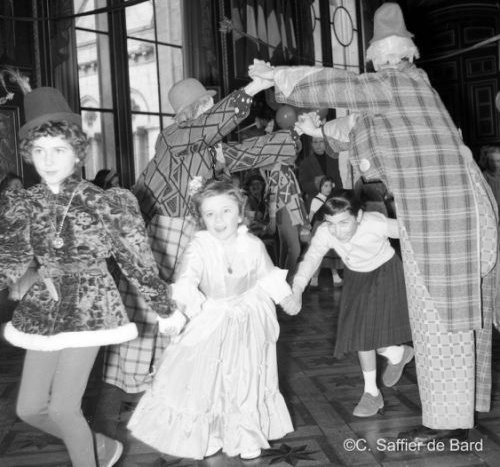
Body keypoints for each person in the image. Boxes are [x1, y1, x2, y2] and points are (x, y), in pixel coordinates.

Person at [249, 2, 498, 443]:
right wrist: (316, 132)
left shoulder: (397, 83)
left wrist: (281, 77)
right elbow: (357, 127)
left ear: (386, 58)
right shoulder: (408, 89)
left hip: (442, 215)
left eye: (379, 60)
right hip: (445, 211)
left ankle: (450, 422)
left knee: (441, 316)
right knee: (455, 311)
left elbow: (344, 87)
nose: (379, 67)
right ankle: (458, 412)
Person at [98, 71, 296, 439]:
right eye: (208, 103)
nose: (213, 108)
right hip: (158, 237)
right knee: (145, 318)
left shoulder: (207, 147)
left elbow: (246, 153)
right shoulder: (173, 137)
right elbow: (209, 128)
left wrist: (296, 137)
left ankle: (175, 400)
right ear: (194, 110)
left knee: (191, 320)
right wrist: (251, 90)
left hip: (192, 238)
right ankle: (112, 415)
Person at [0, 86, 179, 467]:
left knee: (64, 409)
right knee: (29, 408)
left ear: (77, 151)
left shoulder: (104, 202)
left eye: (58, 150)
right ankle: (102, 449)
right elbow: (11, 257)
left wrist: (164, 308)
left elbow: (136, 260)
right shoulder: (25, 203)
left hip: (91, 306)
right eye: (39, 151)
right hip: (45, 305)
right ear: (29, 153)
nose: (48, 160)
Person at [127, 179, 295, 460]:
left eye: (226, 211)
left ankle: (246, 433)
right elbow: (186, 281)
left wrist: (286, 298)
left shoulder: (253, 244)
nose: (219, 220)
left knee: (246, 377)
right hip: (213, 318)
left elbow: (267, 276)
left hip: (249, 318)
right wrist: (175, 311)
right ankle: (212, 432)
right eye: (210, 214)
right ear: (201, 219)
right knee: (210, 378)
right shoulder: (199, 247)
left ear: (240, 214)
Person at [289, 192, 413, 416]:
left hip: (386, 271)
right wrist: (297, 289)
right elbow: (312, 258)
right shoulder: (325, 232)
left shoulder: (375, 222)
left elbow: (413, 230)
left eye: (344, 223)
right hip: (356, 276)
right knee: (360, 334)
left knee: (365, 334)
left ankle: (372, 391)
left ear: (359, 216)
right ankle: (395, 356)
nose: (337, 231)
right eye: (331, 223)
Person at [266, 137, 309, 281]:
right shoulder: (278, 169)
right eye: (291, 151)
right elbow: (272, 196)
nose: (294, 154)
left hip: (289, 211)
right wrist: (272, 219)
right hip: (284, 211)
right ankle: (288, 281)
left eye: (296, 151)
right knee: (295, 249)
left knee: (285, 249)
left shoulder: (286, 169)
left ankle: (281, 281)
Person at [307, 176, 343, 288]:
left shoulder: (331, 199)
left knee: (330, 253)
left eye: (330, 186)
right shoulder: (316, 200)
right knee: (321, 254)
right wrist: (306, 228)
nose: (328, 188)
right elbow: (311, 215)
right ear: (320, 187)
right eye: (325, 186)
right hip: (320, 228)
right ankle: (314, 279)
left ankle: (335, 277)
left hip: (329, 228)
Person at [298, 136, 343, 210]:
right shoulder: (305, 163)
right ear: (311, 144)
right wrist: (317, 183)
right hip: (315, 203)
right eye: (315, 142)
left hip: (333, 202)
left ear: (325, 143)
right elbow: (304, 186)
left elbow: (339, 182)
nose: (318, 145)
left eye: (321, 141)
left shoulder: (334, 160)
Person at [482, 145, 500, 211]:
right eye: (492, 161)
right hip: (492, 207)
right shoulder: (484, 176)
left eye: (498, 161)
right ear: (487, 161)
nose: (495, 164)